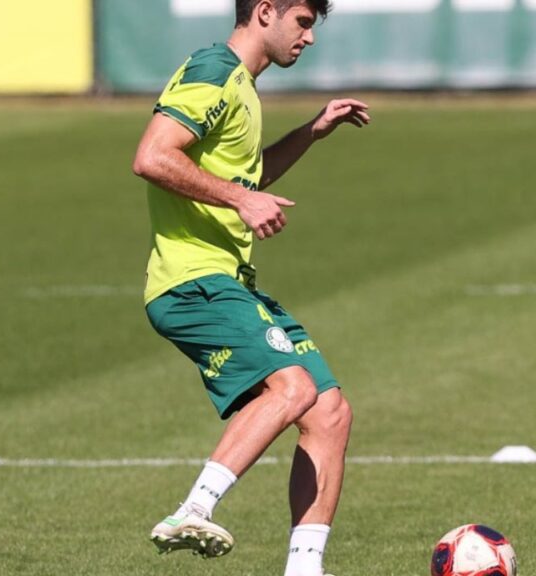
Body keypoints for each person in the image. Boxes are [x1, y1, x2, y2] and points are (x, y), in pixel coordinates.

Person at [131, 1, 370, 575]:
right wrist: (240, 199)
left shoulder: (241, 86)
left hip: (229, 281)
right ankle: (193, 508)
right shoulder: (213, 69)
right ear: (265, 12)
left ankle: (304, 569)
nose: (309, 39)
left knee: (330, 410)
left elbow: (244, 174)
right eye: (304, 22)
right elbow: (152, 156)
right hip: (191, 282)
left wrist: (311, 133)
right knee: (290, 388)